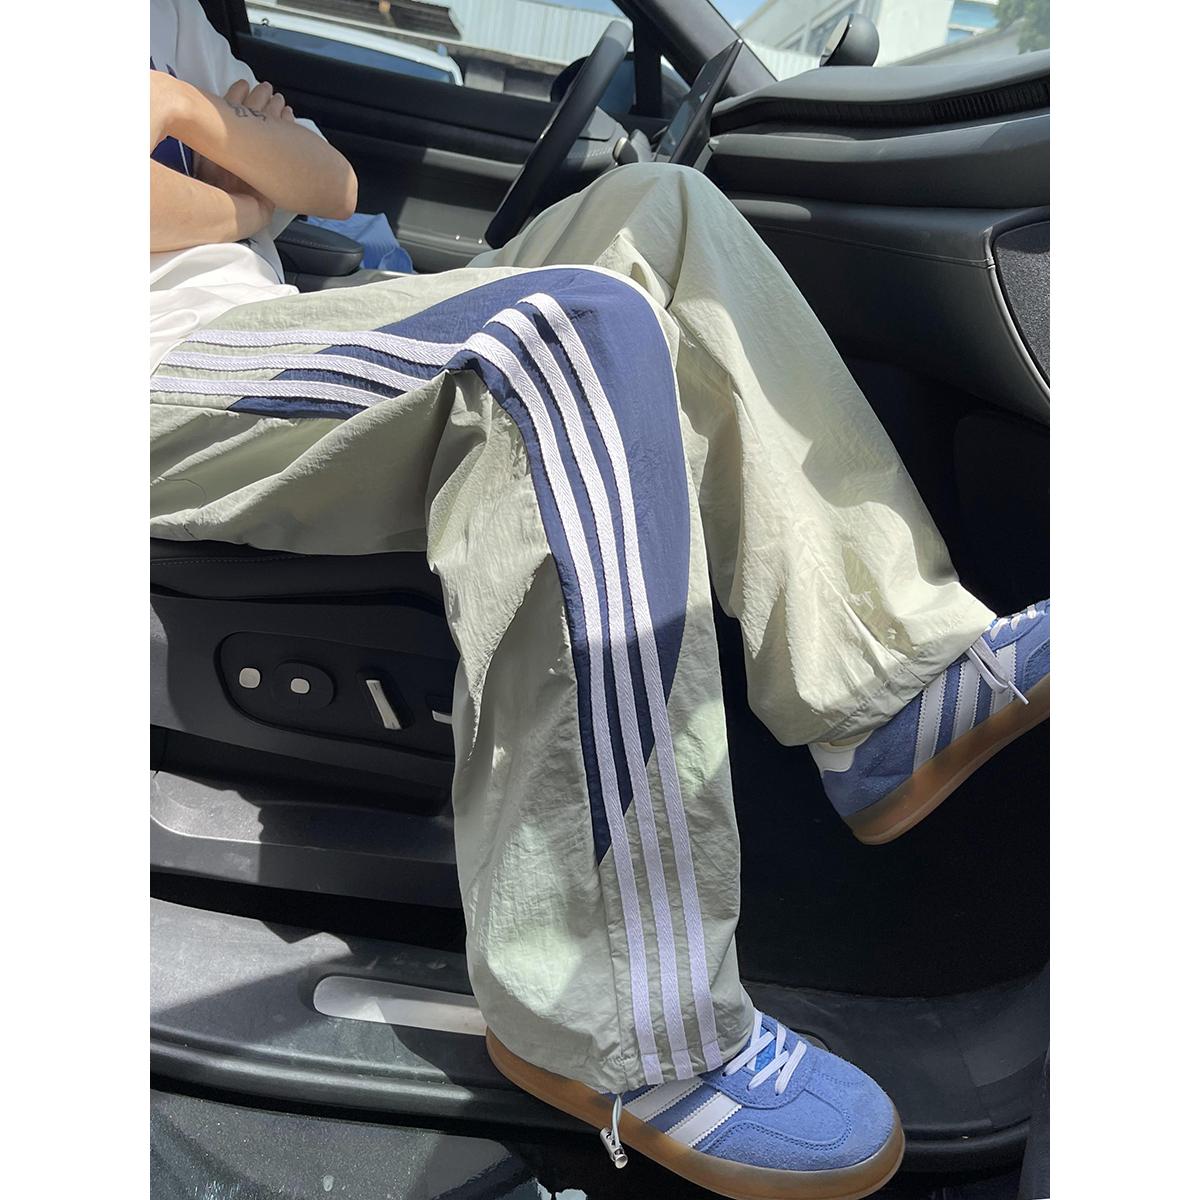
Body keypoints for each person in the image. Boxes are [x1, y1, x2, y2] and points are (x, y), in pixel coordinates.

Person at [149, 3, 1049, 1196]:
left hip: (264, 319)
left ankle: (886, 683)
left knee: (661, 210)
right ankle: (619, 1023)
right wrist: (242, 176)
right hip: (149, 367)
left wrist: (185, 127)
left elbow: (331, 180)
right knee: (565, 335)